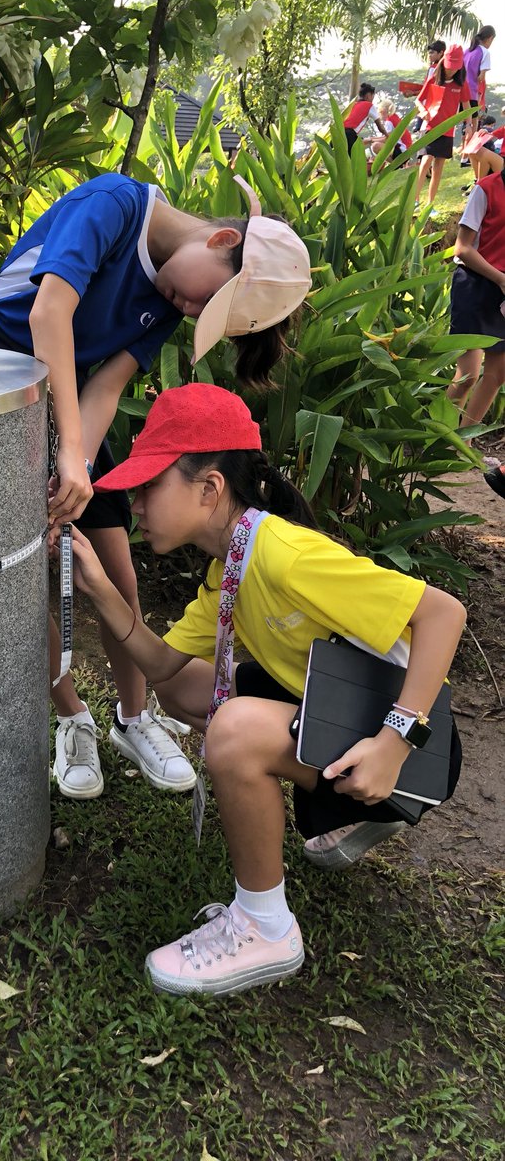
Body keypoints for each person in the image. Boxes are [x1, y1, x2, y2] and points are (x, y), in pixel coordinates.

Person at [68, 383, 466, 997]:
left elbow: (444, 614)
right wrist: (98, 587)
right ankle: (340, 810)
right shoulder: (229, 566)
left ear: (209, 488)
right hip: (347, 721)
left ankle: (265, 926)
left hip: (414, 750)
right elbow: (163, 665)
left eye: (149, 485)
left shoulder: (283, 555)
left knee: (234, 729)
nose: (135, 504)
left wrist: (396, 740)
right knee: (190, 693)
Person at [0, 174, 311, 801]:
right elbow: (49, 313)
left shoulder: (172, 295)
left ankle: (133, 716)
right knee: (17, 574)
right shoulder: (113, 205)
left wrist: (78, 465)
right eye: (209, 303)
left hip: (68, 399)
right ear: (221, 238)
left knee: (114, 567)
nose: (193, 312)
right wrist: (68, 449)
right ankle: (72, 718)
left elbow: (106, 386)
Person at [446, 172, 505, 487]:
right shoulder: (486, 189)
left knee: (498, 373)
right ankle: (438, 440)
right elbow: (462, 248)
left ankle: (464, 446)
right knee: (468, 372)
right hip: (476, 283)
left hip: (504, 288)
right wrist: (499, 278)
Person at [415, 45, 473, 213]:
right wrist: (423, 111)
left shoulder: (461, 83)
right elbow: (419, 100)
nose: (452, 70)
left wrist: (468, 125)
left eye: (456, 67)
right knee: (426, 161)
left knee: (438, 167)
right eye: (450, 66)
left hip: (447, 130)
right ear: (443, 62)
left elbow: (466, 105)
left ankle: (430, 205)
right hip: (430, 127)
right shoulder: (433, 78)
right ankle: (416, 200)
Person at [342, 83, 387, 153]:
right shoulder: (369, 105)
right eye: (373, 97)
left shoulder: (354, 105)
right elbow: (380, 127)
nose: (372, 99)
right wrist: (387, 135)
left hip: (340, 132)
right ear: (368, 96)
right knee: (354, 160)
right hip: (349, 134)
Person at [369, 99, 412, 163]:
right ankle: (398, 165)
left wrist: (370, 140)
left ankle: (396, 165)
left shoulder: (389, 121)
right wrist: (371, 139)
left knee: (375, 146)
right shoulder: (394, 117)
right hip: (405, 149)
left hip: (401, 150)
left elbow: (386, 139)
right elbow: (387, 137)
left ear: (382, 111)